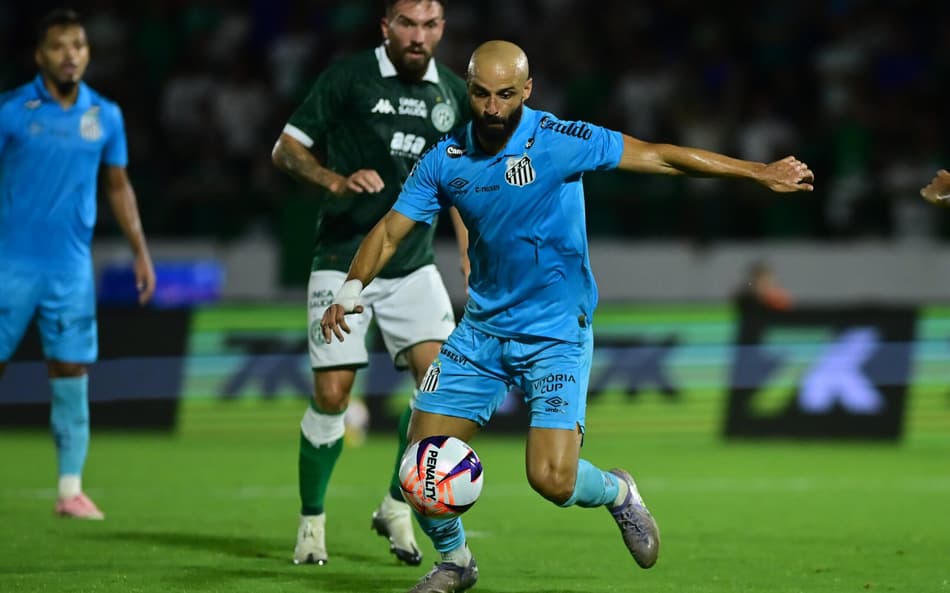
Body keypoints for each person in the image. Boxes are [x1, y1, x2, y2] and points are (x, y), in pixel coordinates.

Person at [321, 40, 815, 593]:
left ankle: (618, 491)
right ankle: (455, 562)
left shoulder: (560, 140)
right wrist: (350, 287)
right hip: (482, 331)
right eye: (481, 94)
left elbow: (659, 156)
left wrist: (757, 172)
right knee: (419, 463)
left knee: (552, 479)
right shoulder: (446, 159)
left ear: (527, 90)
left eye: (506, 94)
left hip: (555, 334)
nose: (492, 107)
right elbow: (391, 231)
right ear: (468, 90)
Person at [270, 0, 470, 567]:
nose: (418, 35)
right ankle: (312, 522)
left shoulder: (453, 93)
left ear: (441, 29)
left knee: (440, 389)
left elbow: (463, 176)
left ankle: (395, 504)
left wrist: (468, 248)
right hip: (343, 257)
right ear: (386, 27)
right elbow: (286, 149)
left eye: (429, 25)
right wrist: (334, 180)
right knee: (333, 395)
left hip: (412, 263)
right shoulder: (348, 78)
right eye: (407, 23)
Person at [0, 9, 156, 520]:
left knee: (70, 371)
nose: (70, 55)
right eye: (59, 46)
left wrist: (139, 250)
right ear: (39, 55)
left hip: (69, 271)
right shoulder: (11, 111)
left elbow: (118, 186)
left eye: (79, 45)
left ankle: (70, 490)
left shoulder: (105, 115)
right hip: (9, 265)